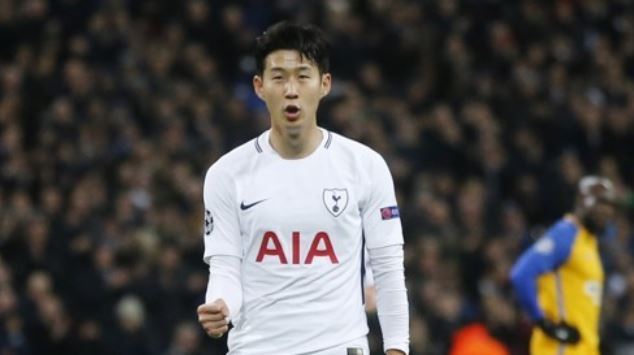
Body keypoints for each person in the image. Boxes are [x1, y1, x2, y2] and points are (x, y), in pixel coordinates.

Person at [196, 21, 409, 355]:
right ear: (259, 86)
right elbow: (225, 268)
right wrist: (220, 306)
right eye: (278, 77)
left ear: (324, 84)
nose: (291, 89)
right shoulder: (226, 174)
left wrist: (397, 348)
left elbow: (388, 269)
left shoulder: (365, 166)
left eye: (303, 76)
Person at [510, 176, 618, 355]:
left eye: (610, 206)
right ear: (582, 202)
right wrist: (545, 325)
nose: (607, 211)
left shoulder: (588, 242)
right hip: (560, 349)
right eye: (601, 204)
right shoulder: (565, 235)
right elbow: (521, 274)